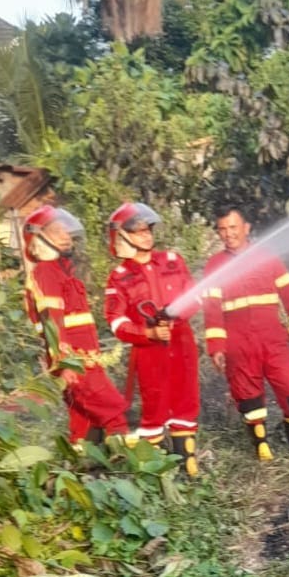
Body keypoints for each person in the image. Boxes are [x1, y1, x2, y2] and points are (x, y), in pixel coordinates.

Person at [201, 207, 289, 461]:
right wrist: (216, 347)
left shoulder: (267, 257)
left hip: (272, 339)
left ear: (246, 228)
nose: (228, 234)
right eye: (222, 229)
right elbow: (212, 312)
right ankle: (262, 448)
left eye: (233, 227)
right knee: (247, 393)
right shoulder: (214, 266)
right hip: (237, 343)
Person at [104, 202, 201, 476]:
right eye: (139, 232)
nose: (147, 235)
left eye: (148, 230)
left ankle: (188, 462)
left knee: (186, 400)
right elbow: (116, 321)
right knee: (154, 408)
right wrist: (147, 333)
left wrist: (175, 316)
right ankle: (157, 471)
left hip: (181, 342)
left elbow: (194, 296)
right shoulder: (119, 278)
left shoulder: (173, 260)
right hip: (149, 351)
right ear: (122, 238)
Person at [21, 204, 129, 443]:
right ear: (39, 238)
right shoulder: (46, 272)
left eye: (66, 231)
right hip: (76, 366)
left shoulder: (61, 273)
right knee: (114, 414)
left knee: (84, 427)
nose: (66, 236)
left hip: (83, 363)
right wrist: (66, 364)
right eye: (57, 232)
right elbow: (53, 322)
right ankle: (135, 470)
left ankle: (82, 474)